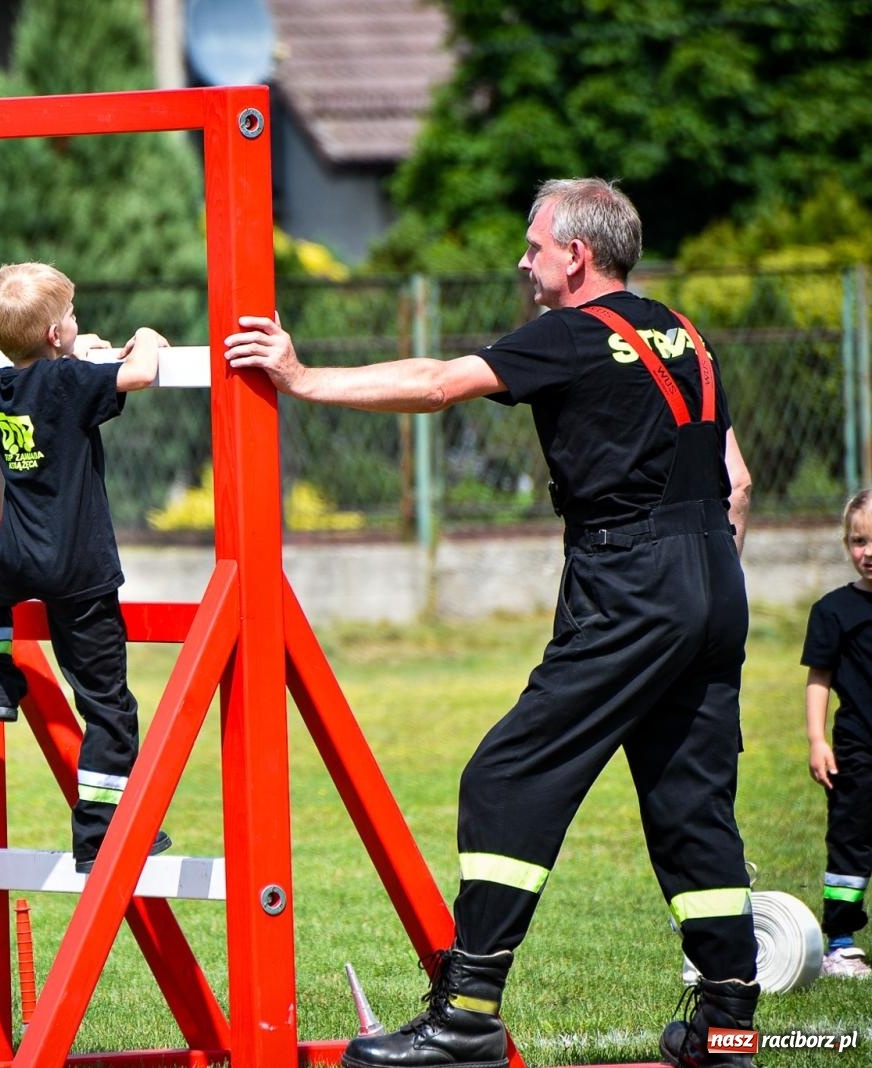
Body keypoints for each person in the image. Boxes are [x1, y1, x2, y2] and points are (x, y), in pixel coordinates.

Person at [224, 179, 758, 1068]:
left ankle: (465, 1014)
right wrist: (699, 582)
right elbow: (736, 478)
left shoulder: (572, 333)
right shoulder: (684, 334)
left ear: (577, 256)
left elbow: (438, 384)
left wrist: (300, 376)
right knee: (692, 807)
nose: (524, 261)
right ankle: (730, 1029)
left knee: (507, 778)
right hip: (715, 579)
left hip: (631, 582)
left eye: (534, 246)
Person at [0, 261, 172, 874]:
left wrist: (82, 345)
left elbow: (64, 363)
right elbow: (142, 372)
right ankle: (99, 833)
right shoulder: (72, 382)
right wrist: (148, 337)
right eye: (70, 318)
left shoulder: (3, 383)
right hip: (78, 572)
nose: (77, 325)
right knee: (107, 706)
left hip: (15, 557)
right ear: (55, 336)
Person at [800, 490, 872, 980]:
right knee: (850, 842)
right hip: (857, 749)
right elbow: (819, 679)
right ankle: (841, 945)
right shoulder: (833, 612)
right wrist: (817, 740)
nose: (868, 551)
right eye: (858, 540)